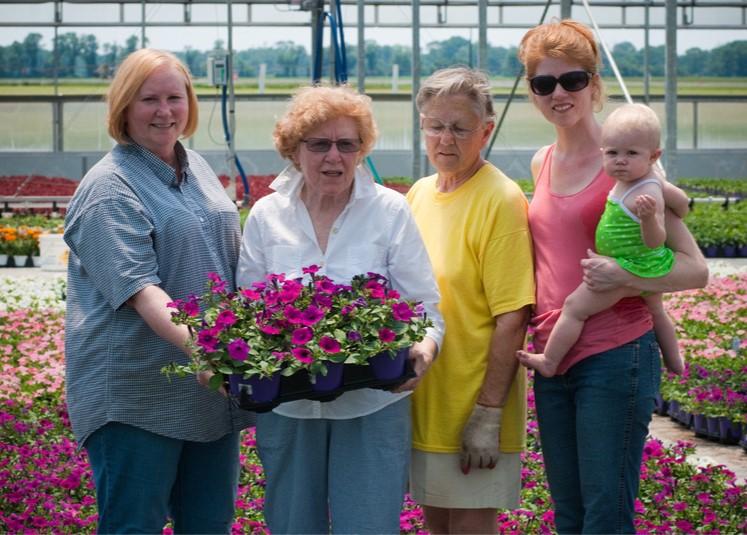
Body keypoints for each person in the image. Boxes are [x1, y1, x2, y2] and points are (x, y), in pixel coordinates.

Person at [516, 20, 708, 534]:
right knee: (570, 514)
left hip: (615, 354)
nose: (559, 93)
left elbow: (695, 270)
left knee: (604, 515)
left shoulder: (628, 164)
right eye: (543, 82)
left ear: (595, 84)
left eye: (572, 80)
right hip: (554, 358)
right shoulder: (541, 161)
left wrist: (623, 277)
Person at [236, 85, 444, 535]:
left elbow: (425, 307)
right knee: (293, 526)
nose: (334, 156)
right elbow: (248, 312)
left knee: (369, 526)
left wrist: (425, 348)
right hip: (288, 409)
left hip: (372, 402)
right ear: (294, 151)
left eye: (347, 144)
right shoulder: (267, 215)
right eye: (319, 144)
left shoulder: (389, 211)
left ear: (361, 150)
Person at [63, 48, 254, 534]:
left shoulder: (198, 170)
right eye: (150, 99)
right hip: (137, 395)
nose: (165, 111)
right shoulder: (110, 188)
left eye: (175, 97)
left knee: (210, 524)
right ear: (124, 107)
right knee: (134, 525)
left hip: (207, 392)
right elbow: (143, 291)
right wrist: (210, 352)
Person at [405, 66, 536, 534]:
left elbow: (512, 316)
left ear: (486, 130)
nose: (445, 139)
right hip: (427, 402)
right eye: (435, 126)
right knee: (436, 526)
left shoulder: (499, 199)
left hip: (473, 407)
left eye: (460, 128)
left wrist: (488, 412)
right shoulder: (420, 194)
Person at [517, 102, 687, 377]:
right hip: (638, 265)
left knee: (574, 308)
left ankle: (549, 361)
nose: (621, 160)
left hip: (628, 268)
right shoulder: (639, 182)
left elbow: (658, 240)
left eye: (631, 153)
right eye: (612, 153)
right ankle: (675, 362)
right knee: (657, 310)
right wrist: (681, 204)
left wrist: (651, 218)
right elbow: (682, 201)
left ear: (654, 156)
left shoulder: (649, 188)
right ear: (603, 153)